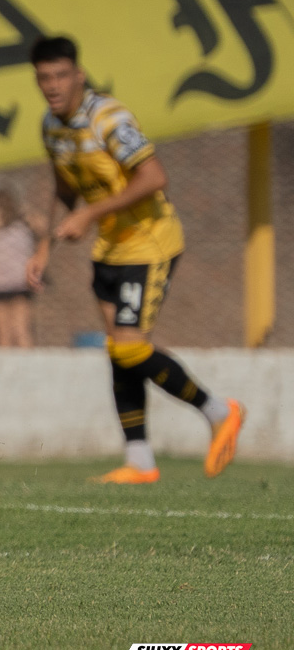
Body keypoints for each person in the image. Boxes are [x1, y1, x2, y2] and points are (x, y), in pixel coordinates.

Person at [24, 36, 245, 484]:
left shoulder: (109, 118)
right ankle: (140, 460)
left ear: (79, 75)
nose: (53, 85)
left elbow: (154, 176)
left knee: (128, 345)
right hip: (109, 247)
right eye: (45, 77)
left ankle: (220, 411)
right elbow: (64, 189)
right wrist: (45, 245)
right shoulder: (52, 126)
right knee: (118, 351)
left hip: (150, 242)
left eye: (61, 75)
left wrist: (90, 213)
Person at [0, 185, 40, 347]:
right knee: (15, 331)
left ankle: (17, 366)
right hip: (6, 283)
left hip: (10, 282)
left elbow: (43, 225)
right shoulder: (18, 221)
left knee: (10, 333)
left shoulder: (21, 220)